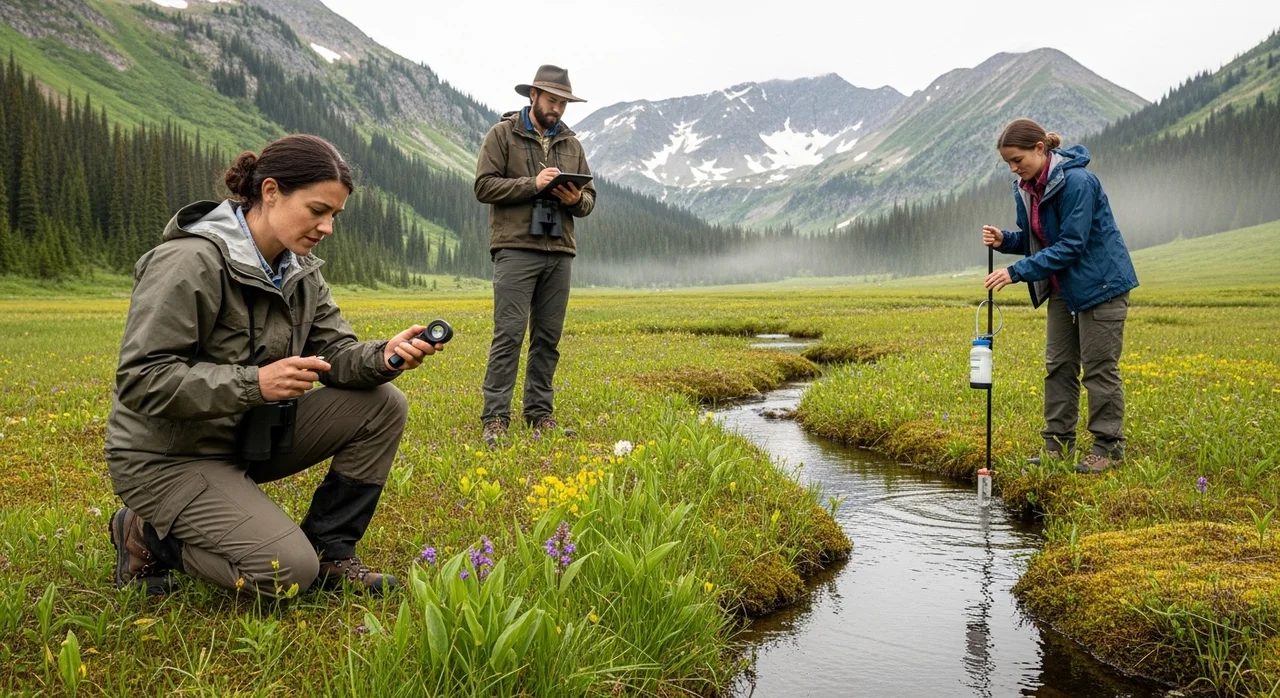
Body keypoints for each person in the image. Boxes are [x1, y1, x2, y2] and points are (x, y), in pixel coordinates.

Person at [106, 134, 445, 598]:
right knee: (285, 573)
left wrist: (385, 355)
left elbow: (337, 355)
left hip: (245, 440)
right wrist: (256, 383)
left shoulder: (298, 271)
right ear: (270, 192)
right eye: (317, 210)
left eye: (335, 216)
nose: (327, 227)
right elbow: (141, 380)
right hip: (167, 457)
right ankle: (146, 536)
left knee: (383, 404)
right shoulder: (189, 261)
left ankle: (330, 551)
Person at [982, 118, 1139, 474]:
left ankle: (1108, 449)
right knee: (1059, 367)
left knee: (1099, 370)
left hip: (1101, 286)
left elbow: (1071, 245)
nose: (1013, 168)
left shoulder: (1078, 182)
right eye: (1008, 162)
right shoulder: (1025, 188)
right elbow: (1037, 238)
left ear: (1040, 149)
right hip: (1062, 288)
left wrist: (1015, 272)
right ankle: (1057, 446)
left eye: (1017, 159)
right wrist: (1006, 240)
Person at [475, 65, 597, 448]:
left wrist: (577, 199)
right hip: (515, 249)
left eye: (563, 103)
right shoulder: (502, 135)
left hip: (559, 250)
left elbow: (590, 201)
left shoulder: (572, 145)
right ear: (533, 96)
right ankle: (495, 420)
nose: (557, 109)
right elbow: (483, 186)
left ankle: (539, 415)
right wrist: (534, 184)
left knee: (548, 337)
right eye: (552, 100)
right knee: (508, 335)